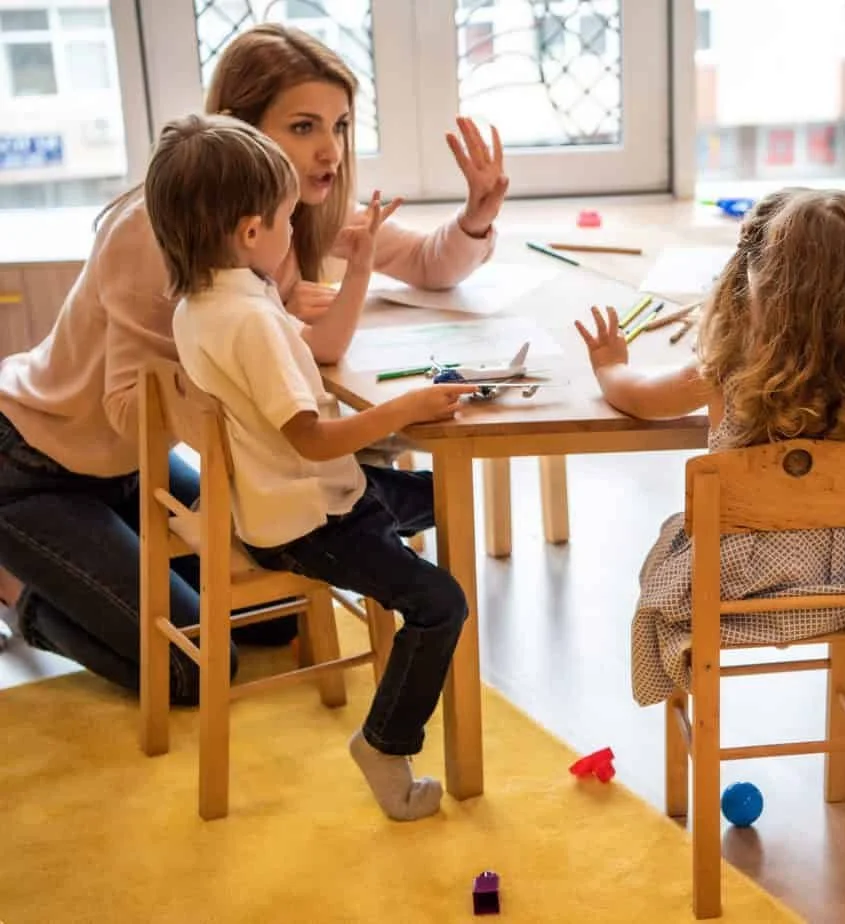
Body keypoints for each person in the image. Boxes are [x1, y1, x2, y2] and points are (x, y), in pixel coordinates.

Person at [0, 23, 507, 703]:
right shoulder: (158, 230)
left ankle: (93, 563)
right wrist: (244, 387)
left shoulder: (278, 211)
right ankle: (14, 586)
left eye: (340, 125)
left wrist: (475, 214)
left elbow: (417, 266)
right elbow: (127, 406)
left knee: (276, 621)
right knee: (194, 669)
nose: (329, 149)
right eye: (303, 127)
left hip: (126, 470)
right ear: (236, 130)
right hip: (35, 463)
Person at [150, 112, 473, 821]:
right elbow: (313, 440)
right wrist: (406, 408)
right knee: (440, 601)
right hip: (309, 517)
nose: (296, 231)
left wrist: (358, 268)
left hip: (298, 500)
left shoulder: (208, 302)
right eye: (288, 218)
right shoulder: (249, 320)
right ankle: (385, 744)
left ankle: (403, 723)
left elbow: (319, 350)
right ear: (249, 232)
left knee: (442, 497)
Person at [575, 188, 845, 707]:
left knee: (666, 555)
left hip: (733, 597)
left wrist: (609, 364)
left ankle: (682, 704)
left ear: (760, 285)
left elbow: (639, 398)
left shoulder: (729, 372)